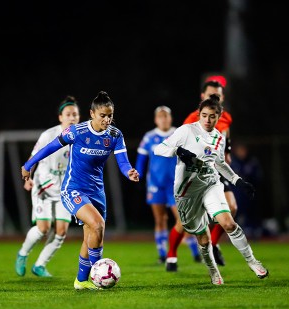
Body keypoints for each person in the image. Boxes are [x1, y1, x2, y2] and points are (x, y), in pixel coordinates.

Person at [21, 91, 140, 290]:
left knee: (92, 235)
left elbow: (123, 161)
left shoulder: (114, 135)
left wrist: (129, 172)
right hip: (73, 189)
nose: (107, 119)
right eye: (103, 115)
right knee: (97, 224)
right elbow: (50, 147)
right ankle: (98, 273)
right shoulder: (77, 131)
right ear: (92, 113)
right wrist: (28, 165)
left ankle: (81, 281)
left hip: (97, 192)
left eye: (110, 115)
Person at [154, 94, 268, 285]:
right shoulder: (186, 131)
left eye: (212, 116)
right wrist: (179, 151)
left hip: (210, 184)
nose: (208, 120)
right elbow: (159, 149)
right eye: (204, 115)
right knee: (203, 237)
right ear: (199, 115)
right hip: (187, 192)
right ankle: (213, 271)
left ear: (218, 117)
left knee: (229, 223)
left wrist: (238, 181)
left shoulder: (219, 137)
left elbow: (220, 163)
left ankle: (253, 262)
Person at [165, 75, 235, 271]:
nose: (215, 98)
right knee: (185, 221)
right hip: (195, 173)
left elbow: (225, 137)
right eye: (212, 95)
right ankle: (171, 256)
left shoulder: (225, 117)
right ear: (202, 96)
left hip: (216, 170)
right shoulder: (193, 119)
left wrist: (227, 153)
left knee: (232, 208)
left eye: (218, 96)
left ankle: (212, 244)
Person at [15, 96, 81, 277]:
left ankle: (40, 265)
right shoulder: (49, 135)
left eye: (75, 114)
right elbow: (35, 156)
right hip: (43, 185)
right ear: (60, 117)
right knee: (43, 228)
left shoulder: (82, 136)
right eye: (68, 114)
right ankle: (22, 254)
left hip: (65, 190)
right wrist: (27, 175)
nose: (72, 117)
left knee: (61, 231)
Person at [135, 105, 200, 264]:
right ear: (156, 119)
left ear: (170, 118)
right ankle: (162, 254)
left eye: (166, 116)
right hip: (155, 184)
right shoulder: (149, 137)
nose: (163, 119)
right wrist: (138, 175)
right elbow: (141, 159)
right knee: (160, 220)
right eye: (160, 116)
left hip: (176, 185)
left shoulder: (178, 134)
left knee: (182, 219)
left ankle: (194, 252)